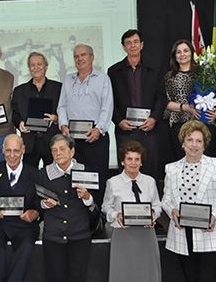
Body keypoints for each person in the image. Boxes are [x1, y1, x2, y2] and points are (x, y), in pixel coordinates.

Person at [162, 120, 216, 282]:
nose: (194, 145)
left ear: (205, 144)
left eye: (199, 141)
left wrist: (215, 216)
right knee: (189, 277)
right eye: (189, 140)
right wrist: (172, 211)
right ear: (183, 142)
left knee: (207, 278)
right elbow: (166, 200)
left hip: (209, 232)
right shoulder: (171, 168)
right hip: (182, 232)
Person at [0, 134, 40, 282]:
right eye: (8, 150)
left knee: (26, 246)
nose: (12, 155)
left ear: (23, 150)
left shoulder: (35, 174)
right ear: (2, 150)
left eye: (16, 151)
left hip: (24, 225)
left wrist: (36, 213)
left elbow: (41, 201)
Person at [57, 44, 113, 207]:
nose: (79, 59)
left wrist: (100, 128)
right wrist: (63, 125)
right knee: (75, 177)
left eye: (83, 55)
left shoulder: (103, 79)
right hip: (73, 140)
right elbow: (62, 106)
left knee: (97, 176)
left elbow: (107, 106)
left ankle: (99, 215)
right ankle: (78, 213)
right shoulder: (68, 80)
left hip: (96, 137)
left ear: (92, 57)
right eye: (76, 56)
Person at [107, 29, 166, 181]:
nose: (132, 46)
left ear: (142, 45)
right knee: (126, 175)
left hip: (149, 129)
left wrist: (154, 118)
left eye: (135, 42)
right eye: (128, 43)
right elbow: (109, 101)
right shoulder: (113, 71)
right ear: (123, 47)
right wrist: (119, 120)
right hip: (125, 130)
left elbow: (161, 97)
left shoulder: (155, 68)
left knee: (150, 172)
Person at [37, 134, 95, 282]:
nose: (58, 153)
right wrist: (44, 204)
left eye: (62, 149)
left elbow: (96, 206)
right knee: (55, 277)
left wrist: (88, 198)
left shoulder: (85, 171)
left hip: (79, 234)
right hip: (54, 236)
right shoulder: (43, 174)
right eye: (54, 150)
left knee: (78, 277)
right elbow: (34, 203)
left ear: (72, 151)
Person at [101, 140, 161, 282]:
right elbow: (106, 207)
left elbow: (158, 206)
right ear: (122, 161)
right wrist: (117, 215)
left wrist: (153, 214)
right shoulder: (113, 182)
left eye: (137, 159)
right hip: (123, 235)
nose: (133, 163)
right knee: (123, 273)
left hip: (146, 235)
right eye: (129, 159)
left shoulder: (150, 181)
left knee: (147, 273)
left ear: (141, 162)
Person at [164, 40, 216, 159]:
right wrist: (186, 108)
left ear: (192, 53)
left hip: (204, 122)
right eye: (178, 52)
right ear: (174, 56)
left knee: (204, 161)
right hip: (179, 123)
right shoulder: (169, 77)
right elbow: (165, 102)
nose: (182, 54)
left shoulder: (205, 73)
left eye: (185, 51)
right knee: (183, 160)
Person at [12, 52, 62, 168]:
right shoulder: (19, 91)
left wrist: (56, 118)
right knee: (28, 178)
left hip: (52, 141)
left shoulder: (59, 88)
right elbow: (15, 113)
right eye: (32, 65)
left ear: (46, 66)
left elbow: (67, 111)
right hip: (29, 142)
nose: (36, 67)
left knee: (53, 178)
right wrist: (19, 123)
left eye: (39, 64)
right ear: (29, 68)